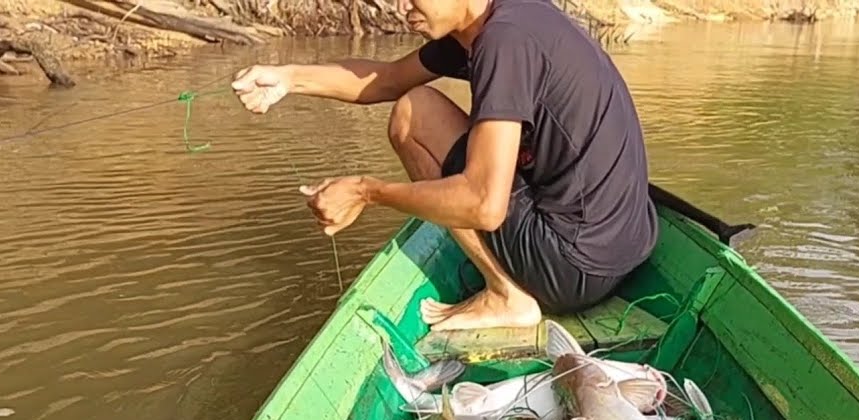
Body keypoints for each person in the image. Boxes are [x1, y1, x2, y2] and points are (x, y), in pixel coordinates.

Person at [231, 0, 656, 332]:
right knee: (414, 100)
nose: (401, 10)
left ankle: (507, 295)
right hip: (628, 246)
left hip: (574, 268)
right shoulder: (504, 19)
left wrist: (367, 190)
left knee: (414, 115)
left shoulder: (503, 41)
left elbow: (485, 206)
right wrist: (287, 78)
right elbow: (386, 79)